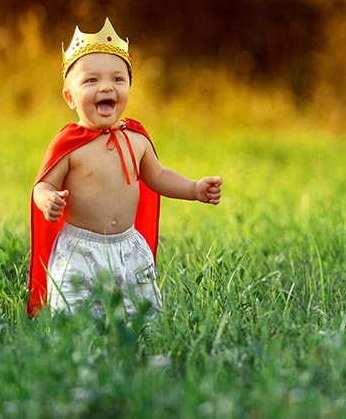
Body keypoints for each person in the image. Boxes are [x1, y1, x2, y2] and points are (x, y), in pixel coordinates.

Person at [27, 18, 222, 317]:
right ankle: (79, 357)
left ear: (129, 87)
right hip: (81, 250)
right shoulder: (69, 144)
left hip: (129, 248)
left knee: (140, 313)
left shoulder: (137, 138)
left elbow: (158, 176)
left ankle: (140, 354)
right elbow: (43, 184)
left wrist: (193, 189)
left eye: (118, 79)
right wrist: (46, 199)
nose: (106, 87)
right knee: (75, 316)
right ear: (70, 97)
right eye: (91, 80)